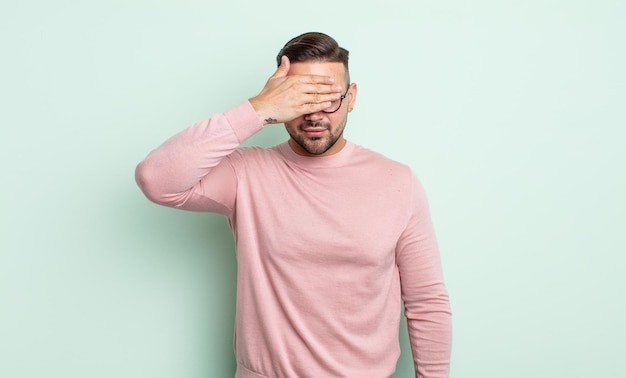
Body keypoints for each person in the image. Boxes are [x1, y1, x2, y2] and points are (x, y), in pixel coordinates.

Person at [136, 32, 451, 378]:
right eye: (301, 98)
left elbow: (427, 303)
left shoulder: (398, 182)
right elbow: (157, 179)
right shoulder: (247, 173)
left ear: (351, 97)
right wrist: (257, 109)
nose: (314, 114)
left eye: (328, 98)